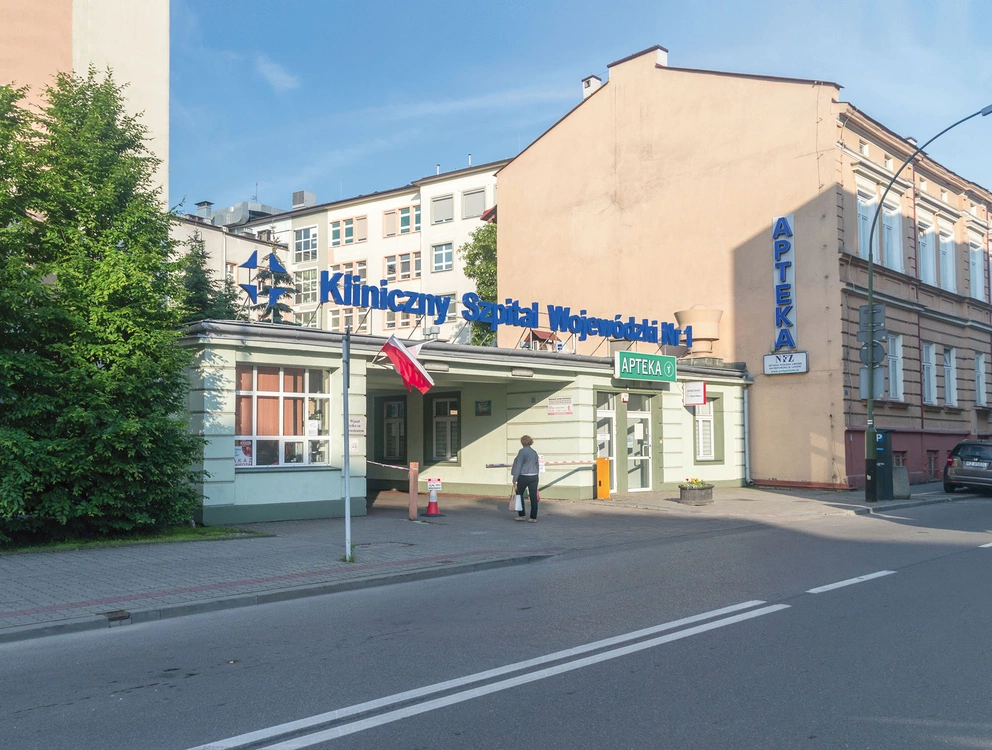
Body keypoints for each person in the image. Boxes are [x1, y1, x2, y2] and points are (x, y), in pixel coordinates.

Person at [511, 435, 540, 522]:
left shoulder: (522, 451)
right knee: (533, 497)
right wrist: (536, 474)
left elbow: (519, 465)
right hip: (534, 476)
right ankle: (533, 517)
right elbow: (537, 465)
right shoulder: (534, 452)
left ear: (522, 442)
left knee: (519, 495)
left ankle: (522, 515)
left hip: (524, 476)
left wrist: (515, 478)